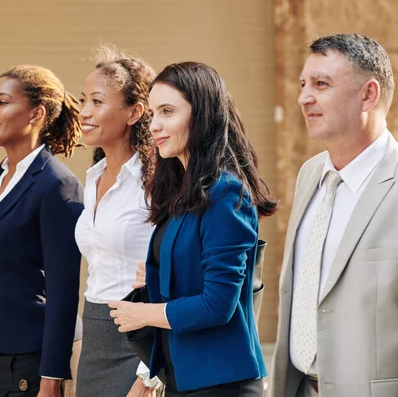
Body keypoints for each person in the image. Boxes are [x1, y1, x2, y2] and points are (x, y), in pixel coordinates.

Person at [270, 33, 398, 397]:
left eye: (321, 84)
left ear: (369, 95)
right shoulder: (310, 174)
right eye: (303, 84)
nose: (303, 98)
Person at [109, 61, 278, 396]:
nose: (154, 125)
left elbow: (218, 305)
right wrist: (156, 276)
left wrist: (142, 313)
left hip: (221, 383)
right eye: (153, 114)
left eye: (167, 111)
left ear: (202, 115)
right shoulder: (182, 191)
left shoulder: (226, 193)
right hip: (182, 379)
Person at [0, 65, 84, 397]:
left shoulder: (57, 184)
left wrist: (52, 376)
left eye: (2, 102)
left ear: (36, 114)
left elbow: (63, 290)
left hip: (30, 362)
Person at [75, 45, 160, 397]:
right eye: (83, 101)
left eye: (97, 101)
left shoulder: (156, 182)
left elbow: (171, 278)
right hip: (95, 333)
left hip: (140, 338)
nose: (84, 112)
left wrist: (148, 375)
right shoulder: (92, 178)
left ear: (134, 112)